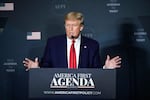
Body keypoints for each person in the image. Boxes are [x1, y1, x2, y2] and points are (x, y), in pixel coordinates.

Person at [23, 11, 121, 70]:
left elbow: (95, 70)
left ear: (81, 27)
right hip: (58, 92)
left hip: (84, 92)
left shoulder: (92, 45)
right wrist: (37, 69)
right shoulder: (53, 43)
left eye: (74, 25)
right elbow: (46, 67)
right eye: (68, 25)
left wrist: (106, 68)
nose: (70, 29)